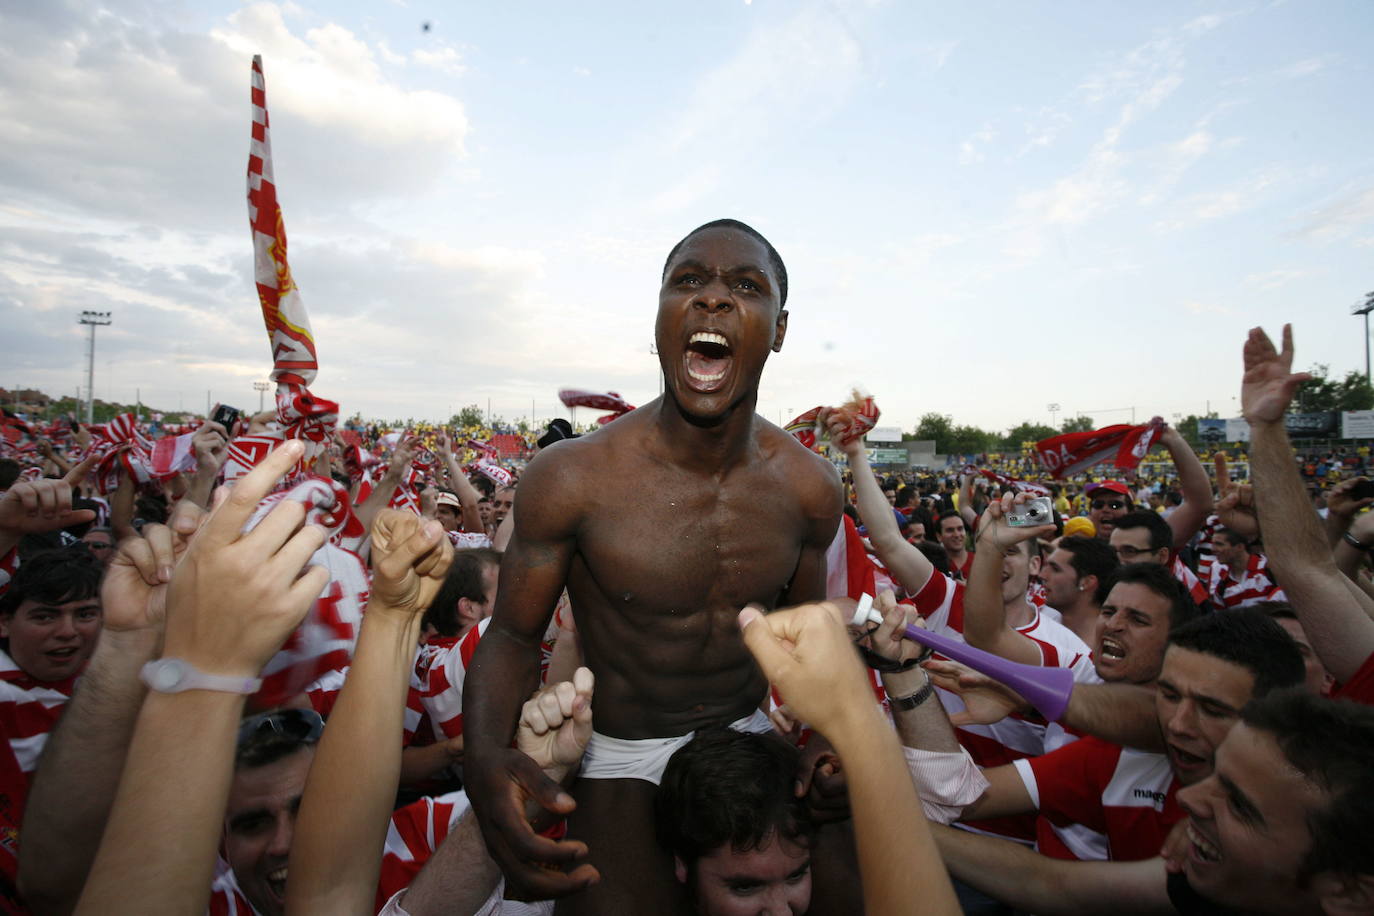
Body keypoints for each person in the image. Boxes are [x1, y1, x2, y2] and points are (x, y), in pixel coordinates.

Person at [463, 219, 841, 911]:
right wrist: (485, 758)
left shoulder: (809, 487)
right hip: (621, 749)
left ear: (778, 329)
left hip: (749, 736)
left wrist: (820, 738)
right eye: (688, 281)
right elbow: (514, 637)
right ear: (661, 314)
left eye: (746, 287)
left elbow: (805, 643)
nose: (714, 300)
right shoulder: (573, 477)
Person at [926, 689, 1374, 915]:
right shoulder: (1199, 879)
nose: (1191, 799)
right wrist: (902, 818)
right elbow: (1050, 884)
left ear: (1351, 891)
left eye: (1239, 805)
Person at [1038, 535, 1119, 643]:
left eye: (1056, 569)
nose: (1042, 575)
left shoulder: (1108, 645)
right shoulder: (1039, 626)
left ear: (1087, 582)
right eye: (1046, 566)